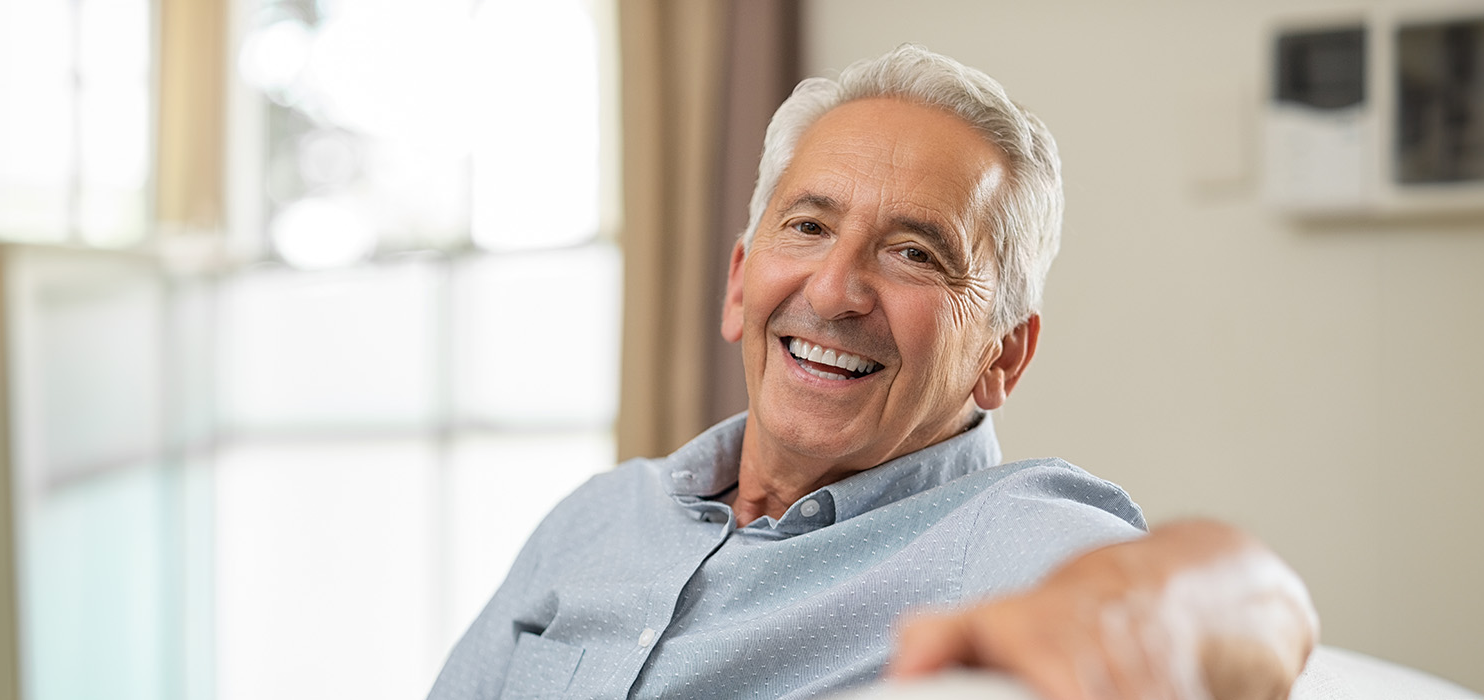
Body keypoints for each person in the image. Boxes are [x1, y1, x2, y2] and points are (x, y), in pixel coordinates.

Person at [428, 45, 1317, 700]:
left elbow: (1256, 601)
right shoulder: (596, 518)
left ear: (1002, 356)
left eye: (915, 254)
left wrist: (1137, 617)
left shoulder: (1001, 539)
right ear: (741, 281)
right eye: (809, 228)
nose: (837, 288)